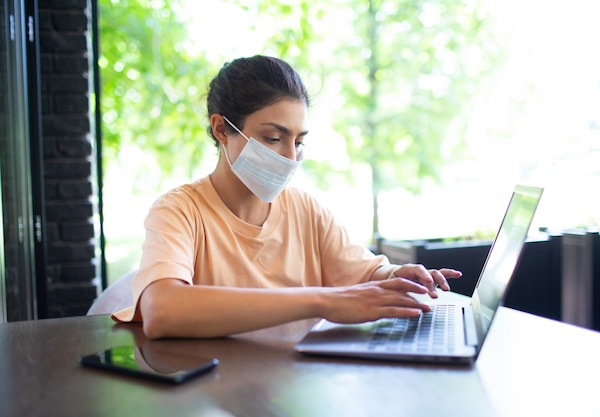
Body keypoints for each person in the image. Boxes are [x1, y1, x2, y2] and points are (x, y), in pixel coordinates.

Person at [112, 55, 462, 339]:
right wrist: (321, 300)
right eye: (272, 138)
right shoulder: (179, 211)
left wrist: (399, 275)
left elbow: (366, 274)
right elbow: (162, 311)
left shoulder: (306, 210)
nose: (290, 157)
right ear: (222, 129)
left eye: (299, 141)